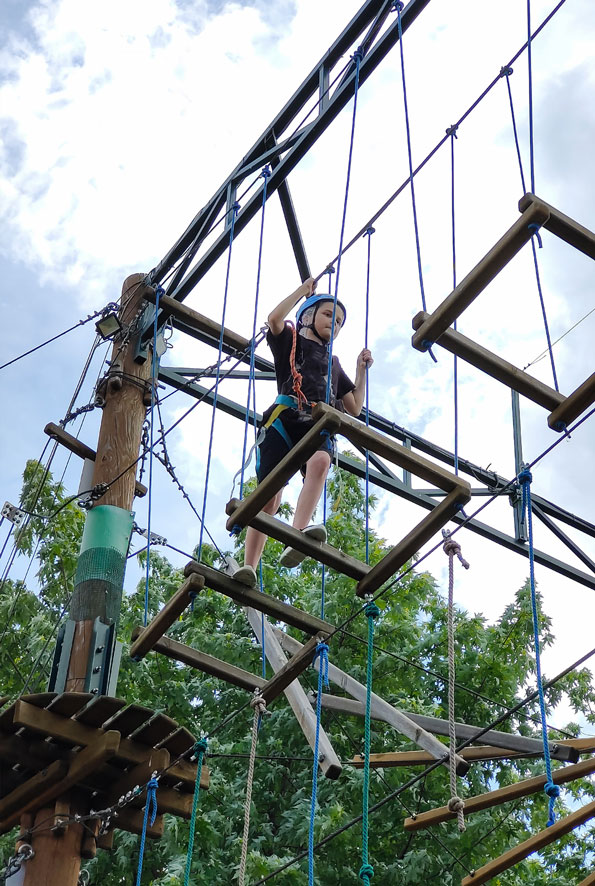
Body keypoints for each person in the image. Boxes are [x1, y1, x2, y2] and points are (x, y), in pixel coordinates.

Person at [233, 277, 373, 587]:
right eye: (328, 316)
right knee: (269, 497)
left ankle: (297, 533)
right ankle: (249, 567)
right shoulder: (292, 341)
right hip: (285, 417)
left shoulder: (333, 364)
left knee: (321, 462)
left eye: (338, 323)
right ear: (307, 316)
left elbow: (354, 408)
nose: (333, 325)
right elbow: (273, 319)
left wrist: (361, 372)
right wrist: (301, 292)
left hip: (316, 421)